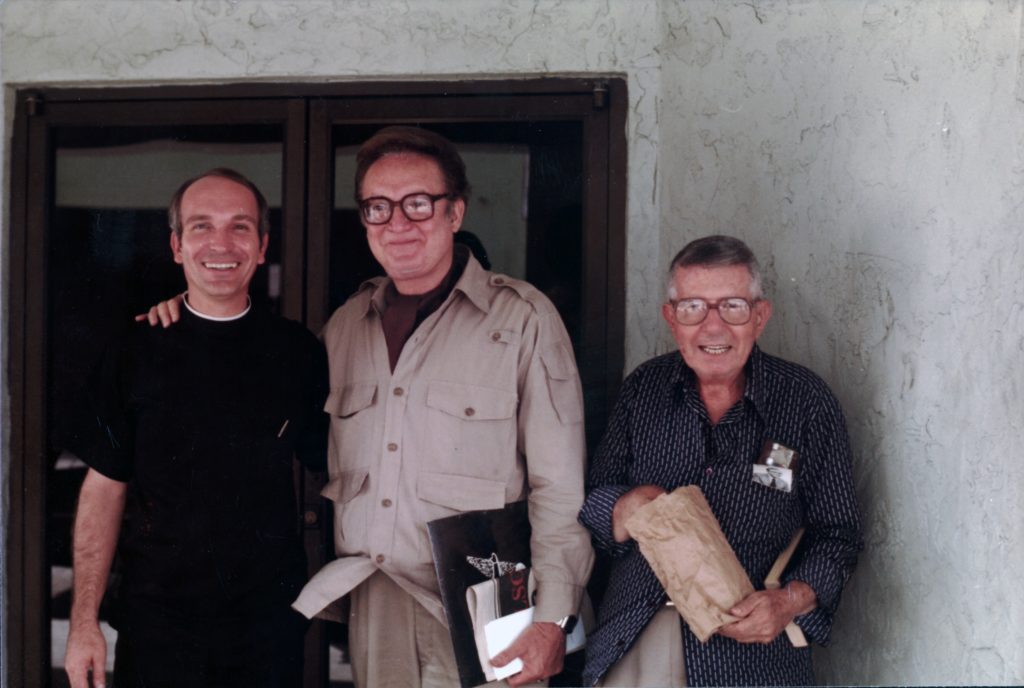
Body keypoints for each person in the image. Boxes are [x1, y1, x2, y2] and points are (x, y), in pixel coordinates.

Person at [141, 128, 594, 687]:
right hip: (376, 598)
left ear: (455, 212)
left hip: (492, 599)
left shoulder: (522, 320)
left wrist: (553, 616)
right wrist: (187, 313)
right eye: (378, 207)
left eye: (418, 204)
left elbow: (560, 488)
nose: (397, 223)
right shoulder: (345, 328)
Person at [64, 169, 329, 688]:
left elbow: (340, 467)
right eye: (202, 227)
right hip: (157, 624)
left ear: (262, 245)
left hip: (268, 627)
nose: (221, 244)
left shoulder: (296, 352)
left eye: (240, 227)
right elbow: (102, 491)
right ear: (177, 246)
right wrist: (83, 623)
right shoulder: (134, 352)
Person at [578, 235, 862, 687]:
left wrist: (788, 602)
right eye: (693, 308)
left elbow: (838, 534)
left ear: (760, 316)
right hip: (640, 635)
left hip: (752, 657)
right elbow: (593, 498)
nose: (713, 328)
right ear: (671, 318)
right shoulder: (644, 390)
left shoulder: (804, 401)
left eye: (732, 306)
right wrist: (621, 508)